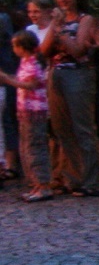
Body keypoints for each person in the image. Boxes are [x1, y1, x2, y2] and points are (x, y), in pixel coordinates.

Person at [45, 0, 99, 196]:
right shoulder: (57, 20)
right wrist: (55, 27)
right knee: (61, 128)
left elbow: (78, 50)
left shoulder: (85, 20)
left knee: (83, 127)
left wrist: (60, 32)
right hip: (56, 73)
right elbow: (43, 50)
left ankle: (91, 180)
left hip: (79, 74)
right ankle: (71, 178)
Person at [2, 29, 52, 201]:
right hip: (25, 111)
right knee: (26, 147)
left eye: (15, 46)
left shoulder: (34, 63)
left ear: (23, 47)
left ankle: (43, 185)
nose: (13, 49)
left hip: (34, 111)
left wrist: (7, 80)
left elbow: (30, 84)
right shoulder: (25, 61)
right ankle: (35, 184)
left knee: (35, 148)